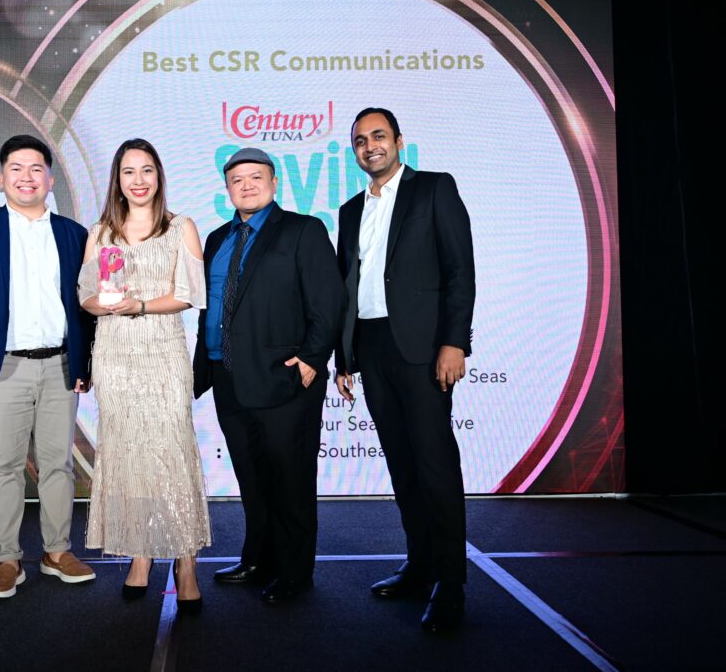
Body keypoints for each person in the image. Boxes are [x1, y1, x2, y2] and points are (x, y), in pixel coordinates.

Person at [334, 108, 475, 631]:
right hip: (372, 348)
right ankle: (420, 567)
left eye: (378, 136)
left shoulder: (434, 189)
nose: (369, 146)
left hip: (422, 349)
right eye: (360, 141)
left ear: (398, 141)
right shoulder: (350, 210)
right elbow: (347, 288)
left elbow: (461, 270)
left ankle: (451, 584)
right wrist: (343, 358)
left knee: (436, 466)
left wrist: (454, 343)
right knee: (402, 466)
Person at [193, 147, 344, 604]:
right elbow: (213, 310)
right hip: (229, 379)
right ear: (227, 189)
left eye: (255, 177)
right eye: (237, 179)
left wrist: (312, 360)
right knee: (252, 478)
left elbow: (329, 300)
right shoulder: (218, 238)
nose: (246, 185)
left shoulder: (303, 230)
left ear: (274, 183)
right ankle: (258, 560)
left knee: (291, 480)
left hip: (285, 380)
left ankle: (295, 573)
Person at [0, 134, 96, 598]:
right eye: (16, 168)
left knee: (58, 466)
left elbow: (84, 305)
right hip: (0, 370)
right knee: (4, 466)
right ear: (1, 177)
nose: (27, 177)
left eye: (36, 168)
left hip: (60, 367)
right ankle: (7, 559)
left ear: (50, 179)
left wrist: (85, 364)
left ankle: (56, 551)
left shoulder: (74, 234)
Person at [78, 138, 210, 612]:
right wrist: (106, 303)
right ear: (117, 178)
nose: (138, 180)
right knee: (127, 451)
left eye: (147, 170)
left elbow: (192, 293)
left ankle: (186, 558)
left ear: (159, 176)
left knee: (172, 450)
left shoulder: (181, 227)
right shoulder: (100, 233)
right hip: (115, 354)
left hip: (163, 350)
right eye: (129, 171)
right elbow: (86, 296)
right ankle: (140, 553)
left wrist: (138, 305)